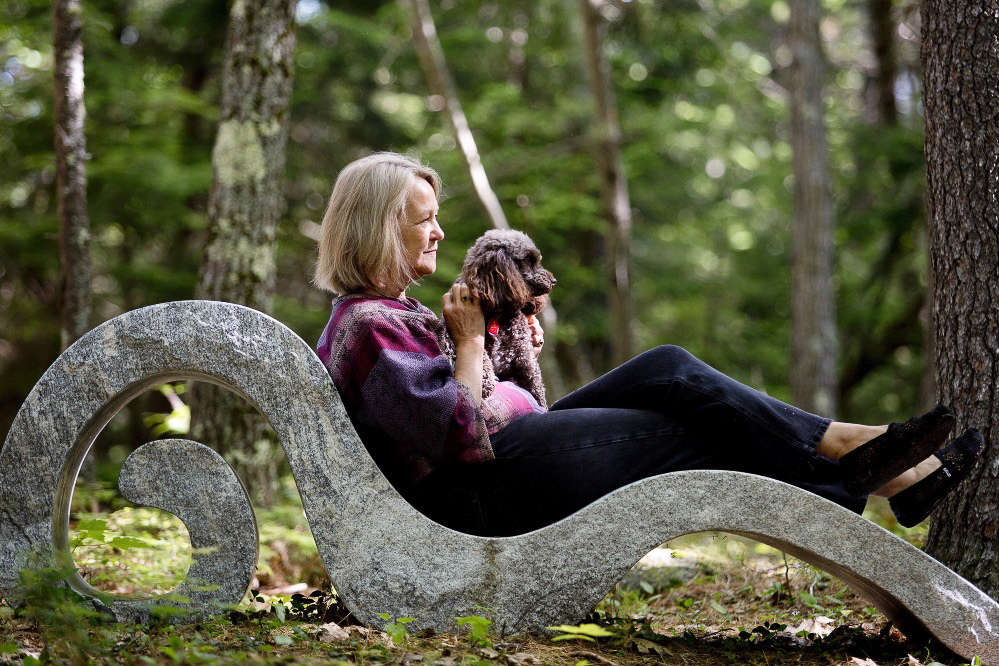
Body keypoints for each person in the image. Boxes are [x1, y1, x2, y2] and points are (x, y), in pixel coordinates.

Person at [314, 152, 982, 537]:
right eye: (423, 220)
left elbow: (465, 402)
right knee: (686, 427)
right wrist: (464, 343)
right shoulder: (368, 328)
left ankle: (879, 466)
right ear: (379, 226)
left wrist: (504, 353)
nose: (436, 233)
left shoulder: (387, 314)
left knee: (667, 370)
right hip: (481, 495)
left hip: (509, 462)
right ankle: (860, 461)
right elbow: (459, 439)